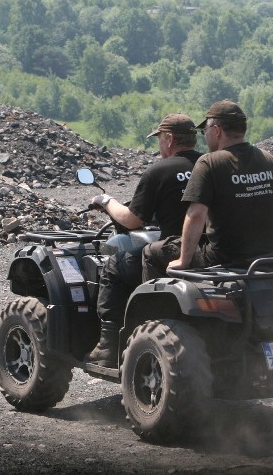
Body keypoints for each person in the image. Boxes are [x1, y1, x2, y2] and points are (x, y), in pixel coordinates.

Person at [86, 113, 202, 367]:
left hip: (174, 251)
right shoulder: (211, 164)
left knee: (114, 266)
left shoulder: (159, 171)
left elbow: (131, 220)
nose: (159, 145)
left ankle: (107, 345)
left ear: (169, 139)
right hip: (211, 250)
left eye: (160, 139)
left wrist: (106, 202)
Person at [142, 100, 273, 278]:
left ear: (216, 131)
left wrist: (184, 261)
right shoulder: (270, 160)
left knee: (151, 253)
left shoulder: (209, 163)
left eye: (205, 131)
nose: (204, 136)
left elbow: (196, 215)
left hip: (224, 259)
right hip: (272, 258)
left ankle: (156, 304)